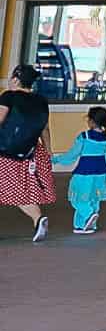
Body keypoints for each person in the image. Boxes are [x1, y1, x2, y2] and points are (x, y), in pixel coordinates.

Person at [0, 63, 55, 243]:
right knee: (17, 190)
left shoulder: (9, 96)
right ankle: (38, 219)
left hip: (4, 152)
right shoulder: (41, 101)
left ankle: (38, 220)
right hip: (26, 153)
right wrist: (48, 150)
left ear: (16, 79)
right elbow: (44, 129)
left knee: (10, 190)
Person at [51, 106, 106, 234]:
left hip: (84, 172)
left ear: (91, 121)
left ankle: (89, 215)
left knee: (78, 199)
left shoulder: (84, 136)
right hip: (101, 173)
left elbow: (72, 155)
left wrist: (56, 160)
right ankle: (83, 226)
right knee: (93, 198)